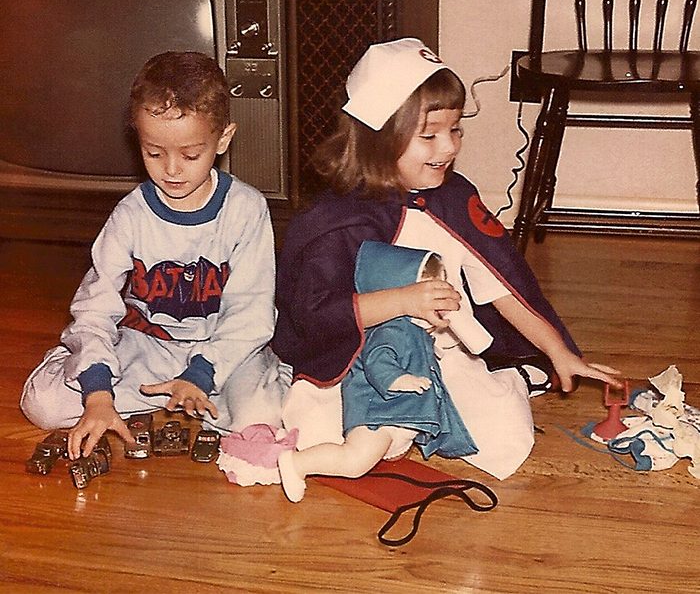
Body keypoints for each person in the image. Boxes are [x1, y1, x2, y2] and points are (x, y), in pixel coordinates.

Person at [271, 37, 621, 480]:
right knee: (315, 438)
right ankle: (396, 425)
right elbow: (316, 313)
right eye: (429, 135)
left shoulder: (454, 199)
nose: (449, 147)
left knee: (506, 441)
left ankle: (477, 395)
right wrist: (406, 300)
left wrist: (558, 351)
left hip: (441, 353)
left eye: (455, 129)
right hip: (354, 359)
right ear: (378, 138)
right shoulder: (336, 220)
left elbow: (503, 283)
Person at [21, 51, 290, 460]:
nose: (171, 170)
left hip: (223, 349)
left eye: (190, 155)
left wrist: (201, 372)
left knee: (263, 416)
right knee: (44, 405)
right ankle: (99, 372)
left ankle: (197, 391)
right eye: (154, 152)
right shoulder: (130, 215)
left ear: (223, 139)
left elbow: (250, 311)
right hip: (147, 345)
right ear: (139, 141)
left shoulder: (247, 209)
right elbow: (96, 307)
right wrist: (96, 393)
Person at [278, 240, 476, 502]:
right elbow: (377, 359)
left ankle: (389, 446)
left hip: (393, 410)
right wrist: (397, 378)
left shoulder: (413, 328)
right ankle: (298, 463)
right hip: (377, 409)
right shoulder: (392, 329)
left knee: (388, 446)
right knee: (355, 460)